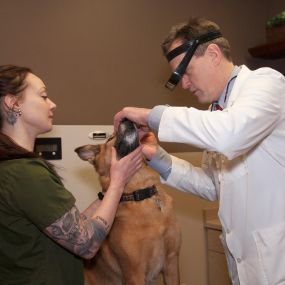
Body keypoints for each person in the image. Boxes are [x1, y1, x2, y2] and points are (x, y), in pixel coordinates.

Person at [114, 17, 285, 285]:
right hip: (246, 268)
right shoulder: (216, 112)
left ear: (214, 55)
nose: (184, 84)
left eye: (186, 72)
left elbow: (231, 134)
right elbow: (213, 185)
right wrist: (158, 157)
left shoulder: (266, 84)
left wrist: (153, 115)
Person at [0, 65, 142, 285]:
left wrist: (108, 192)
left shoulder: (12, 169)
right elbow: (86, 243)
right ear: (13, 103)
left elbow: (72, 228)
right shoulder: (24, 174)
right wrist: (117, 183)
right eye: (43, 96)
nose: (53, 104)